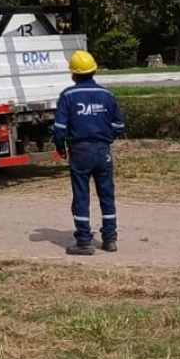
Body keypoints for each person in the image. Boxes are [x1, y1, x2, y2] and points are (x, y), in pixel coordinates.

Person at [53, 49, 126, 256]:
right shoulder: (107, 95)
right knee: (107, 195)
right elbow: (119, 125)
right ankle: (110, 239)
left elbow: (59, 128)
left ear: (74, 74)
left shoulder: (68, 95)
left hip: (79, 151)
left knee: (81, 195)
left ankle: (84, 241)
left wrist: (60, 148)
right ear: (94, 70)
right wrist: (106, 139)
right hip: (103, 151)